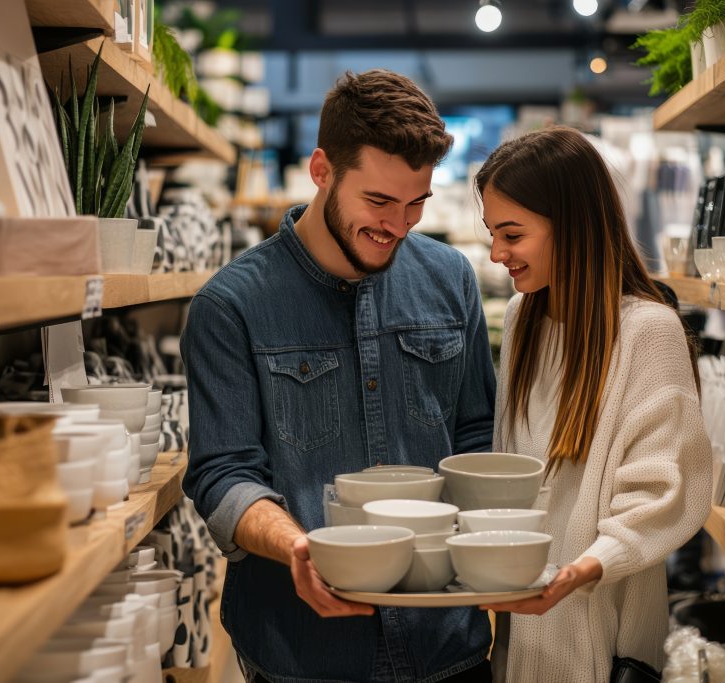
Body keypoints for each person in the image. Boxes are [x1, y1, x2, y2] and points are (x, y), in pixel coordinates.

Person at [180, 69, 497, 682]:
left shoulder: (451, 279)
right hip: (305, 653)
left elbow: (476, 435)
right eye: (378, 201)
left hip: (445, 646)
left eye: (416, 203)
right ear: (322, 170)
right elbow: (223, 475)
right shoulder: (231, 306)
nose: (398, 225)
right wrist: (299, 546)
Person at [474, 126, 712, 683]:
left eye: (512, 234)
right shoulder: (524, 317)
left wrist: (576, 572)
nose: (497, 254)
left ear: (572, 225)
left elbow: (664, 490)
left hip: (601, 636)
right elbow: (514, 470)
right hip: (526, 630)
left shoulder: (647, 332)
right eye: (492, 234)